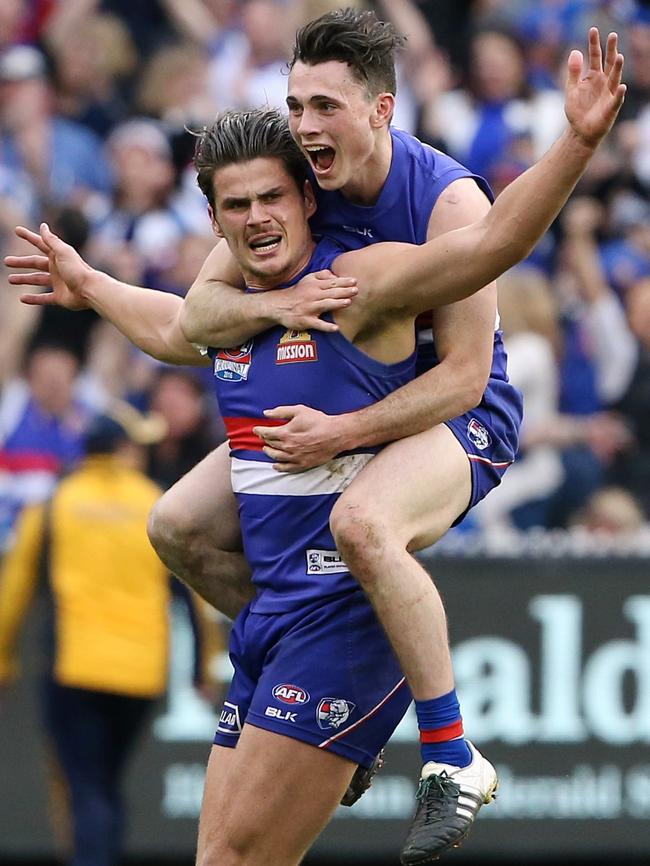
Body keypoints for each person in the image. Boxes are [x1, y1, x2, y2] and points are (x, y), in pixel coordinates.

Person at [5, 32, 626, 861]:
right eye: (295, 106)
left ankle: (450, 753)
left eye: (323, 107)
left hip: (456, 414)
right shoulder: (287, 215)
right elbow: (183, 325)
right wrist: (98, 286)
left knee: (365, 525)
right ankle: (316, 670)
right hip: (288, 600)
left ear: (380, 110)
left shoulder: (417, 225)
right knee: (175, 526)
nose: (302, 125)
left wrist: (579, 140)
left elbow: (472, 355)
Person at [0, 404, 211, 866]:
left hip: (74, 671)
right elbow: (192, 592)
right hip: (140, 676)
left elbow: (13, 589)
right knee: (106, 784)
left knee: (86, 785)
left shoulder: (56, 503)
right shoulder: (155, 503)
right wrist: (201, 666)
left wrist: (3, 661)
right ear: (122, 449)